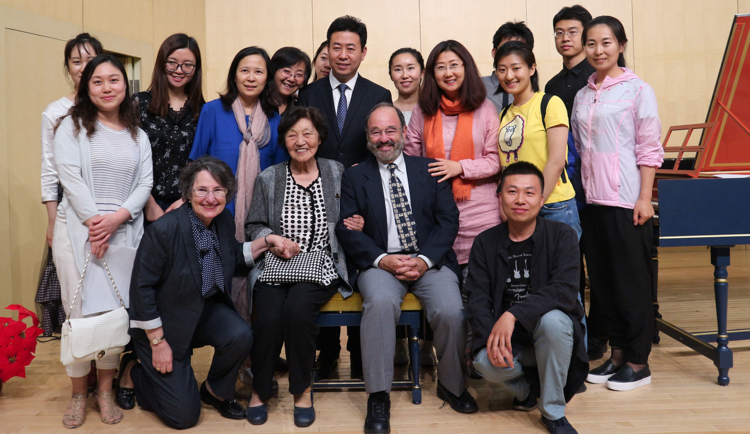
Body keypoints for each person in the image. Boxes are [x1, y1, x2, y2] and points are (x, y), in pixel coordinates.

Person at [337, 103, 478, 434]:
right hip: (380, 263)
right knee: (381, 304)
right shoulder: (355, 175)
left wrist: (424, 260)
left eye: (390, 130)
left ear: (402, 132)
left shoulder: (428, 170)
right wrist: (382, 259)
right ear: (368, 137)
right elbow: (346, 228)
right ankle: (379, 396)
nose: (384, 138)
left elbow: (448, 221)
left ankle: (452, 385)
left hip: (429, 260)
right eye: (376, 132)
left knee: (450, 310)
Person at [121, 157, 289, 429]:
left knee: (240, 334)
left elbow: (232, 255)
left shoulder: (223, 219)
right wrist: (156, 343)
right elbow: (141, 288)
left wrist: (267, 241)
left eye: (218, 190)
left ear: (227, 193)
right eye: (202, 190)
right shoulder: (164, 230)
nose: (211, 198)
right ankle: (135, 370)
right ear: (188, 192)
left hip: (202, 311)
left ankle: (214, 391)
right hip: (164, 324)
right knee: (184, 417)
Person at [53, 54, 153, 429]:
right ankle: (79, 393)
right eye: (98, 81)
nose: (107, 87)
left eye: (114, 80)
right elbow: (69, 177)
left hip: (123, 233)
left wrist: (115, 220)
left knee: (114, 314)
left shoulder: (137, 134)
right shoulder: (72, 127)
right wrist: (96, 223)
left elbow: (145, 184)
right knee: (77, 312)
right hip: (79, 232)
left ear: (126, 86)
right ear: (86, 86)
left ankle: (106, 391)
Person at [244, 106, 352, 428]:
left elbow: (353, 214)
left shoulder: (337, 172)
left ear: (319, 138)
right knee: (269, 317)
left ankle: (302, 390)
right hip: (277, 264)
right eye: (292, 135)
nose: (300, 140)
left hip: (321, 263)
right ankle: (260, 391)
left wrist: (354, 221)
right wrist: (273, 239)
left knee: (297, 313)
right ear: (284, 141)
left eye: (307, 133)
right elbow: (254, 225)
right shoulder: (269, 178)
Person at [297, 15, 392, 379]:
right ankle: (327, 352)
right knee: (321, 267)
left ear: (363, 52)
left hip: (360, 196)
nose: (342, 54)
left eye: (351, 47)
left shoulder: (377, 95)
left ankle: (359, 350)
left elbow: (380, 148)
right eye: (336, 46)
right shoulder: (309, 94)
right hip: (314, 195)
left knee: (358, 266)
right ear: (327, 49)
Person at [572, 16, 663, 391]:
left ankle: (639, 362)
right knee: (605, 287)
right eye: (591, 43)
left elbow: (648, 148)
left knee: (632, 285)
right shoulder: (582, 94)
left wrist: (644, 198)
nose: (598, 50)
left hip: (627, 202)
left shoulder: (639, 90)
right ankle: (618, 355)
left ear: (621, 45)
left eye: (606, 43)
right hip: (593, 202)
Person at [467, 161, 587, 434]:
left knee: (554, 320)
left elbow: (565, 290)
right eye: (512, 191)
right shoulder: (485, 242)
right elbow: (477, 300)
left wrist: (513, 314)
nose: (520, 199)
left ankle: (553, 412)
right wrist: (491, 339)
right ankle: (525, 392)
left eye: (529, 193)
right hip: (512, 343)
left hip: (553, 341)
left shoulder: (563, 236)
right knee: (483, 361)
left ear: (542, 199)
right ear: (500, 196)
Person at [404, 39, 501, 377]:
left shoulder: (486, 109)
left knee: (481, 288)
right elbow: (412, 159)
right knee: (449, 293)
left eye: (454, 65)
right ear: (432, 73)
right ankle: (454, 360)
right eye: (441, 66)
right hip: (437, 216)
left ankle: (480, 356)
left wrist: (459, 167)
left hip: (482, 212)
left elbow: (495, 160)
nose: (448, 72)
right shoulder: (422, 111)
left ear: (466, 68)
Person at [38, 32, 103, 341]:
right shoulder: (55, 112)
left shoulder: (115, 105)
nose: (83, 67)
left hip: (108, 207)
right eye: (76, 61)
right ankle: (84, 365)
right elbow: (50, 171)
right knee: (75, 290)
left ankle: (109, 360)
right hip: (70, 211)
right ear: (68, 67)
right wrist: (52, 220)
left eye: (90, 59)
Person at [543, 4, 598, 359]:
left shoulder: (597, 76)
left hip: (595, 184)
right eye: (559, 33)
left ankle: (599, 334)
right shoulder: (551, 84)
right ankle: (575, 340)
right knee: (569, 265)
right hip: (564, 187)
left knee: (599, 265)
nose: (565, 38)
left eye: (572, 32)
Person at [496, 41, 581, 240]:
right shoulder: (504, 114)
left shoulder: (550, 103)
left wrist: (536, 200)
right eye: (502, 69)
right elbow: (506, 166)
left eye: (516, 68)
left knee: (560, 268)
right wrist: (505, 201)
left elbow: (557, 160)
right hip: (519, 207)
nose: (509, 76)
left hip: (554, 204)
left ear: (532, 68)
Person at [135, 33, 205, 222]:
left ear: (196, 68)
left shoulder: (203, 110)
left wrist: (185, 200)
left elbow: (203, 162)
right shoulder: (138, 104)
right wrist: (149, 205)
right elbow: (127, 157)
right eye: (172, 62)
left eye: (188, 65)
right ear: (161, 63)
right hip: (141, 205)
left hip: (188, 205)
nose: (179, 70)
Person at [482, 21, 534, 113]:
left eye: (519, 49)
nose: (511, 54)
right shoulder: (477, 86)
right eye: (505, 48)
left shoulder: (538, 98)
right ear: (494, 52)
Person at [270, 47, 311, 115]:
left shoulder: (299, 111)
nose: (291, 79)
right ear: (274, 70)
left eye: (299, 74)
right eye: (286, 71)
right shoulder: (257, 101)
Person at [389, 47, 424, 126]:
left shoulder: (433, 108)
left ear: (422, 73)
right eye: (398, 70)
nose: (405, 75)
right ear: (391, 75)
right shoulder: (386, 112)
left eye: (410, 68)